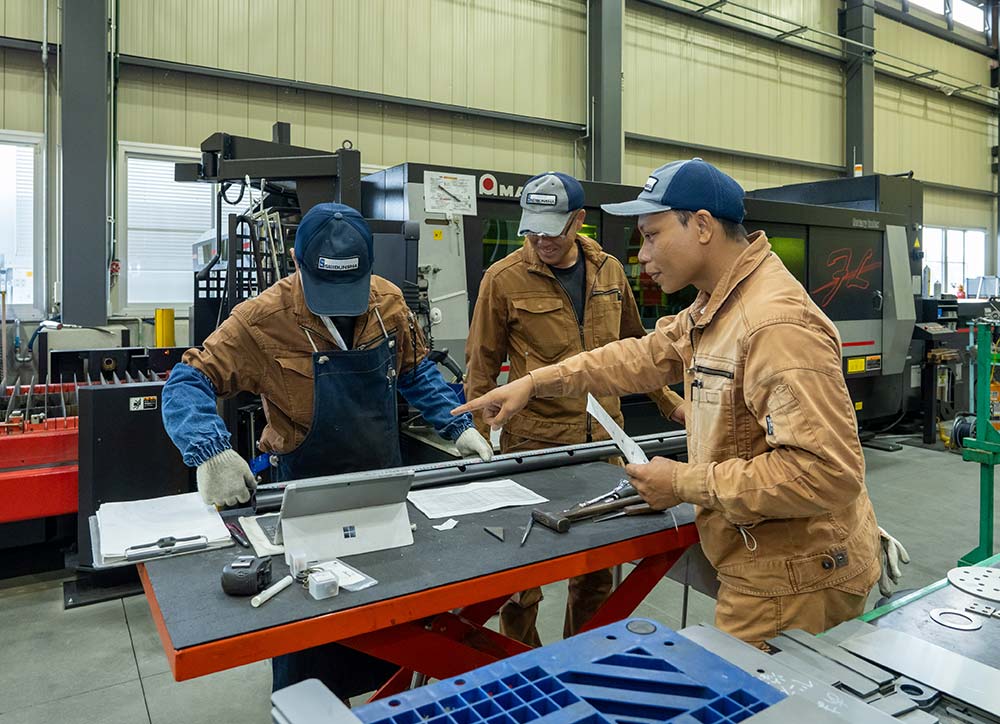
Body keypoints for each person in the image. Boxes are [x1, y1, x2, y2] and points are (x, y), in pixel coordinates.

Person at [455, 159, 907, 646]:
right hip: (766, 559)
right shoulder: (718, 302)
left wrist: (683, 482)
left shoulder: (774, 324)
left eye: (651, 235)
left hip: (792, 577)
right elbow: (642, 354)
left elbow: (827, 473)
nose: (642, 254)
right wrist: (536, 382)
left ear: (704, 226)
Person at [162, 202, 492, 699]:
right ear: (297, 263)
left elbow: (416, 370)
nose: (342, 304)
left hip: (382, 494)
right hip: (301, 501)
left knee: (397, 630)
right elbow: (188, 380)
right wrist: (209, 449)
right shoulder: (261, 320)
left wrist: (454, 424)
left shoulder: (389, 304)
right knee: (310, 647)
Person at [464, 171, 685, 646]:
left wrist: (671, 405)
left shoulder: (608, 270)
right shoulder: (502, 280)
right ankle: (522, 664)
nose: (541, 239)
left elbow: (635, 347)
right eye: (533, 229)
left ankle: (582, 659)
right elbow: (480, 370)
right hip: (535, 445)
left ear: (579, 220)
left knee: (595, 571)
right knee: (520, 578)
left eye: (553, 228)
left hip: (603, 442)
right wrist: (481, 452)